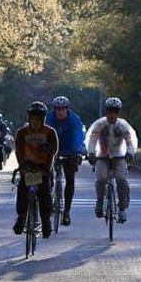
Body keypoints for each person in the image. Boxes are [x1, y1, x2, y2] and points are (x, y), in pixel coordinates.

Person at [85, 97, 138, 223]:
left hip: (119, 155)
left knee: (121, 179)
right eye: (109, 111)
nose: (111, 114)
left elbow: (130, 142)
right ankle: (100, 201)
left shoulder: (123, 125)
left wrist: (130, 153)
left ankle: (122, 209)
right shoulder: (99, 124)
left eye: (114, 112)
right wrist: (91, 153)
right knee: (102, 178)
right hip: (102, 156)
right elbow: (92, 140)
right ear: (106, 112)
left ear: (118, 113)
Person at [12, 101, 57, 238]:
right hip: (27, 167)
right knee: (22, 191)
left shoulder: (50, 132)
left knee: (44, 193)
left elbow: (52, 151)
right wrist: (22, 167)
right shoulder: (22, 132)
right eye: (33, 119)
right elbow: (19, 150)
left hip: (43, 167)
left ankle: (45, 221)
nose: (36, 122)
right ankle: (21, 217)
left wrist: (47, 169)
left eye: (39, 119)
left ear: (43, 119)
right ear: (29, 118)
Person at [45, 96, 86, 226]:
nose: (60, 112)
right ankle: (49, 199)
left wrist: (77, 150)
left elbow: (78, 136)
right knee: (46, 176)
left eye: (62, 109)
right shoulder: (48, 119)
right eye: (57, 109)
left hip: (70, 151)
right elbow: (42, 134)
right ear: (54, 110)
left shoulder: (74, 120)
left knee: (70, 180)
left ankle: (66, 212)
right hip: (52, 151)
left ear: (67, 110)